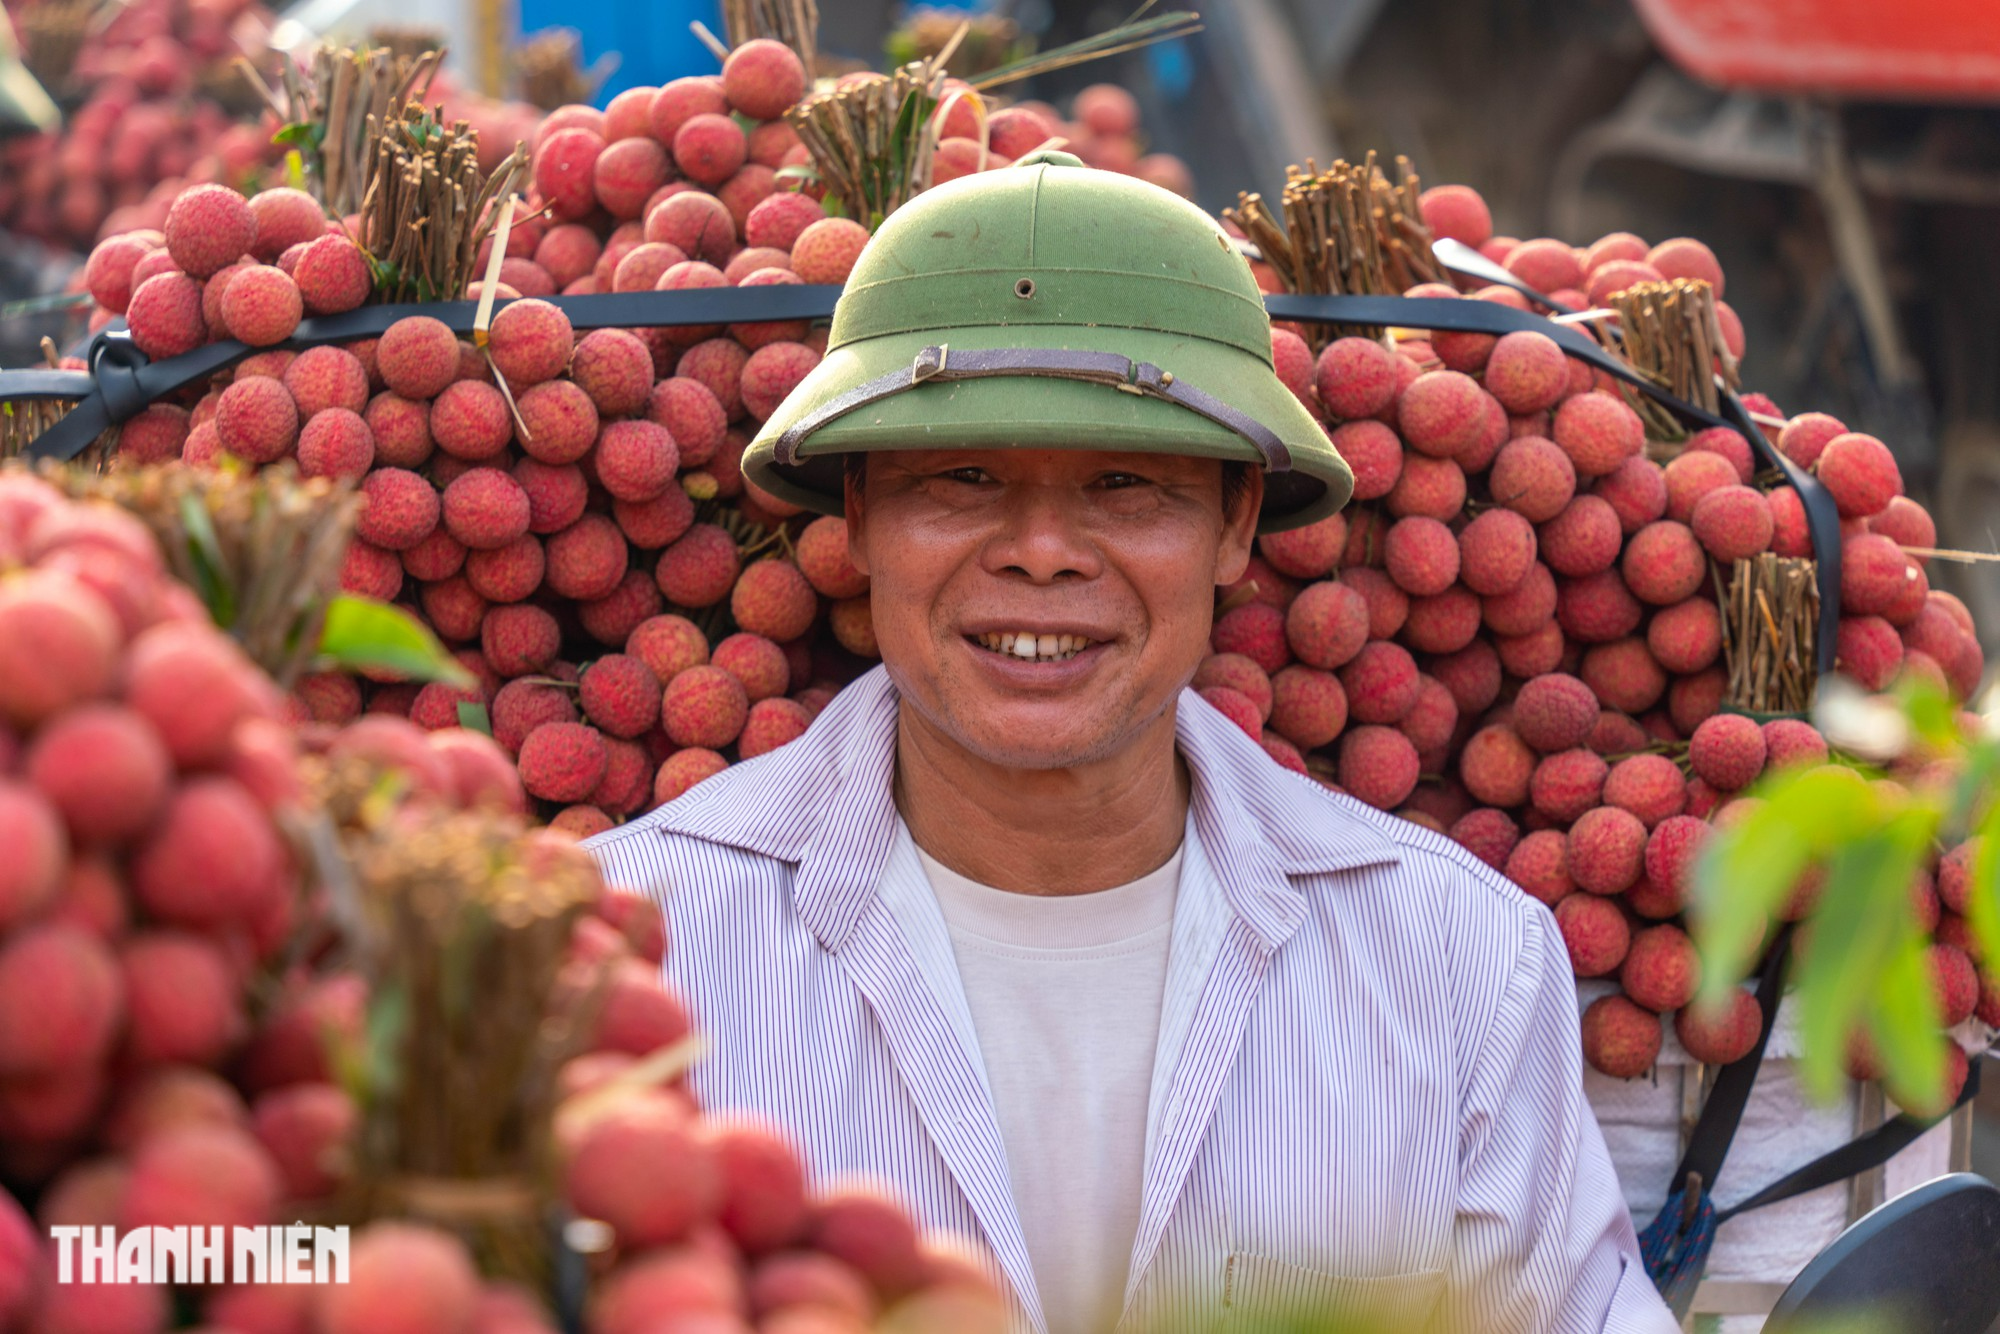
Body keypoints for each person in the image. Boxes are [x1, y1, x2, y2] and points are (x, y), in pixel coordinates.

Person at [588, 150, 1677, 1334]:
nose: (1043, 550)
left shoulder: (1458, 958)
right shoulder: (628, 947)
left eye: (1124, 485)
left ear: (1233, 525)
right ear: (857, 521)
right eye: (961, 477)